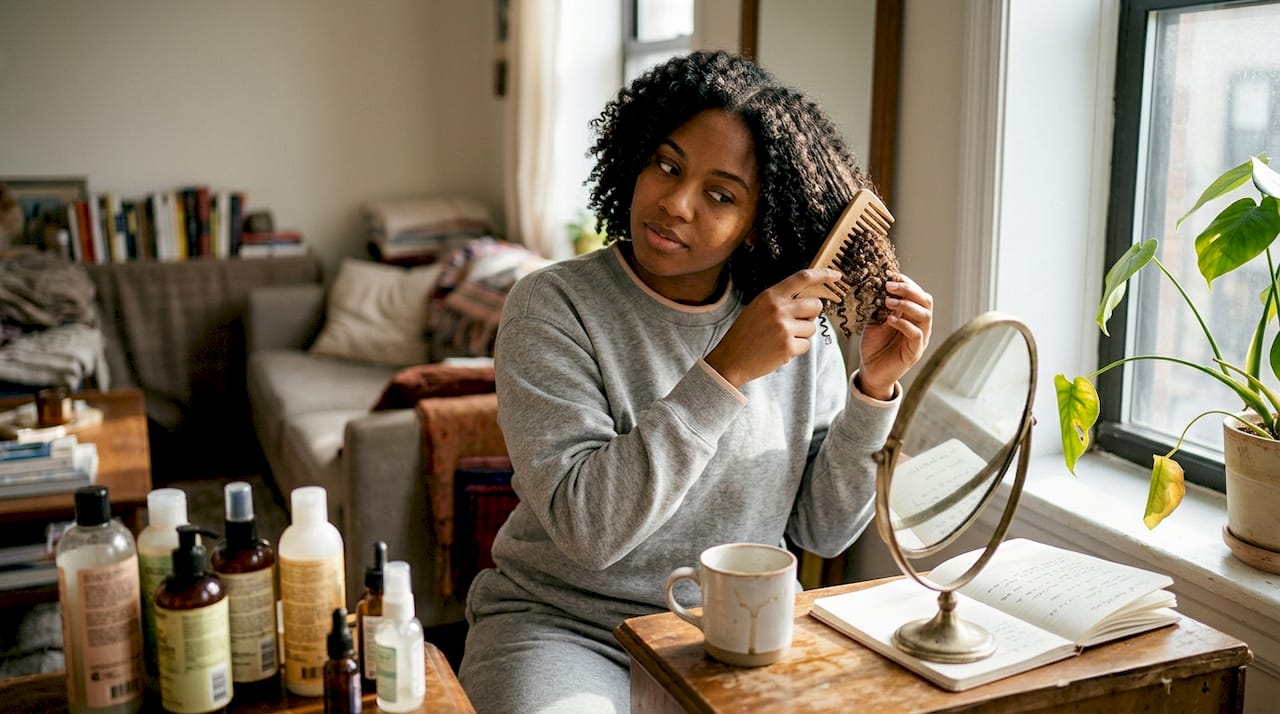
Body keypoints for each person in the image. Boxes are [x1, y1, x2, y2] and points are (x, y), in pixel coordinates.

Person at [457, 49, 934, 713]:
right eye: (666, 164)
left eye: (720, 194)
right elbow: (590, 532)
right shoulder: (552, 307)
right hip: (565, 630)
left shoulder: (798, 328)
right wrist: (726, 370)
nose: (674, 203)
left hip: (738, 630)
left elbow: (824, 532)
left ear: (757, 224)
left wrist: (872, 393)